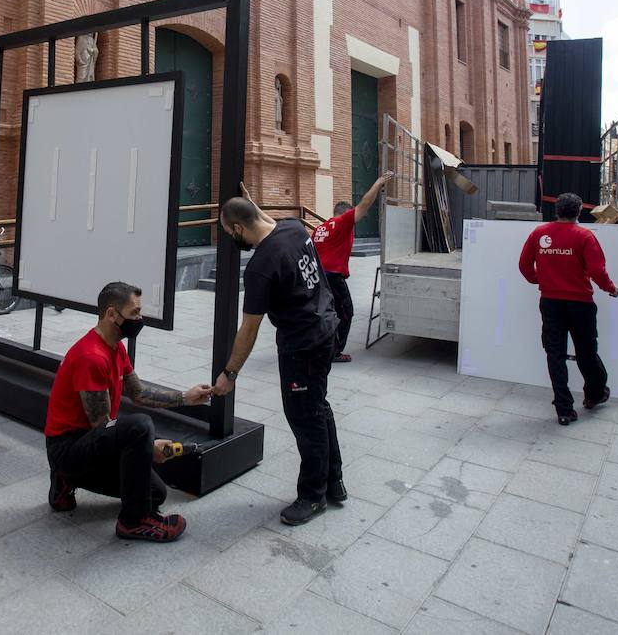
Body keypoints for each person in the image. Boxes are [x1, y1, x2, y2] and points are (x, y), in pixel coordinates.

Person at [43, 282, 212, 543]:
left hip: (88, 440)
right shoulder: (91, 357)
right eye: (134, 313)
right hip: (67, 447)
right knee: (140, 426)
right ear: (112, 314)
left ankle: (66, 481)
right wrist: (148, 446)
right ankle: (133, 522)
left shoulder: (116, 347)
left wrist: (185, 398)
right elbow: (102, 428)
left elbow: (139, 393)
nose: (139, 319)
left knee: (155, 493)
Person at [213, 196, 342, 526]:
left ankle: (313, 497)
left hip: (303, 346)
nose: (232, 238)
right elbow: (258, 215)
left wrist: (230, 373)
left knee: (305, 419)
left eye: (230, 232)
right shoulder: (293, 227)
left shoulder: (260, 267)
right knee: (319, 407)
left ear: (239, 228)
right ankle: (334, 482)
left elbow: (249, 329)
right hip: (327, 329)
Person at [517, 192, 618, 426]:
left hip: (550, 302)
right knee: (586, 351)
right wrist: (611, 289)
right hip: (581, 304)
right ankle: (595, 395)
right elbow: (597, 271)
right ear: (579, 211)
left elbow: (524, 266)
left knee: (555, 354)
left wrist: (539, 280)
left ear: (557, 211)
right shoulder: (584, 236)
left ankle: (564, 409)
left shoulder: (539, 234)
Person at [310, 171, 393, 364]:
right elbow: (364, 205)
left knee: (326, 313)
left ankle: (320, 346)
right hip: (332, 277)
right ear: (345, 213)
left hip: (319, 277)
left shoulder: (320, 228)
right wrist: (378, 182)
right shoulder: (342, 223)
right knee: (345, 313)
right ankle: (334, 352)